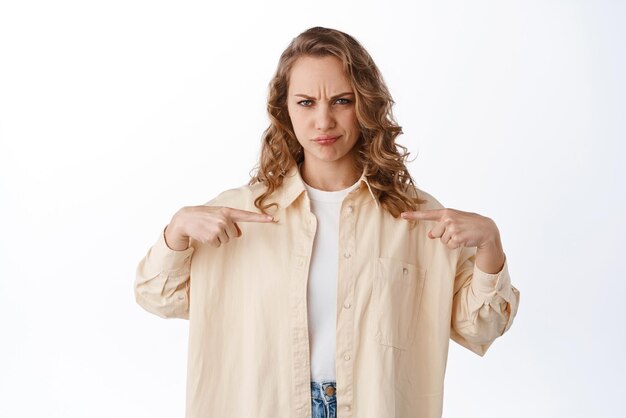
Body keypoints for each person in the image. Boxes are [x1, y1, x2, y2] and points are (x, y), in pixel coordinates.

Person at [134, 26, 520, 418]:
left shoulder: (418, 219)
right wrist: (176, 231)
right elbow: (156, 296)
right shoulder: (239, 215)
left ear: (366, 105)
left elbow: (480, 328)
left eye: (341, 101)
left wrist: (491, 246)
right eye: (305, 102)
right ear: (285, 108)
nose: (323, 121)